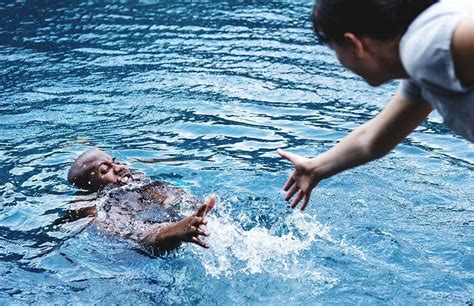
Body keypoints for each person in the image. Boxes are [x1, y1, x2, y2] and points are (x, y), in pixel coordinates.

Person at [279, 0, 473, 210]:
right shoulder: (422, 68)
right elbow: (372, 139)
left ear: (353, 44)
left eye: (334, 49)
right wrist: (315, 168)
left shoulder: (425, 49)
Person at [67, 148, 216, 254]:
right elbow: (136, 236)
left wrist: (192, 208)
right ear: (90, 187)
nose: (120, 167)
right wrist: (176, 231)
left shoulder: (138, 183)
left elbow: (173, 197)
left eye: (115, 162)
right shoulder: (97, 207)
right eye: (105, 170)